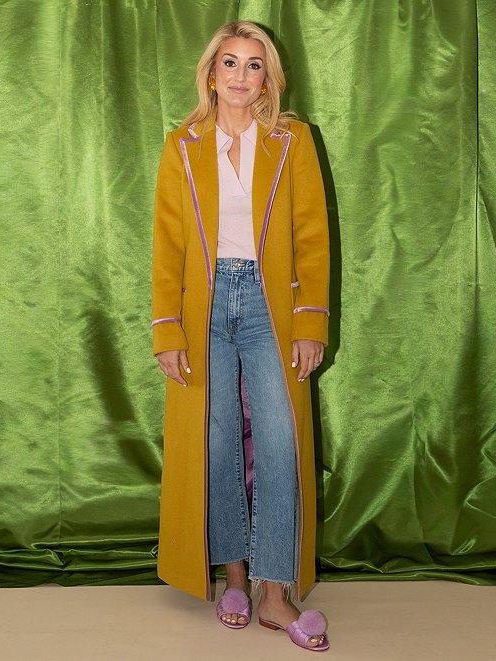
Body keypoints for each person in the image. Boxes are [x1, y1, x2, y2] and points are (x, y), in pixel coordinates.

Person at [151, 20, 330, 652]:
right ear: (210, 74)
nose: (240, 75)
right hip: (202, 308)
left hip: (267, 302)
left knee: (279, 439)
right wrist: (167, 330)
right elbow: (169, 245)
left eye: (254, 65)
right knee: (218, 439)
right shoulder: (182, 145)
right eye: (229, 62)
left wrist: (310, 320)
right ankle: (233, 577)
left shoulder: (292, 140)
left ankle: (274, 589)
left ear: (268, 80)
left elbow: (311, 235)